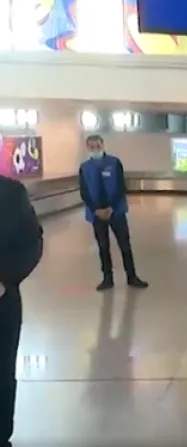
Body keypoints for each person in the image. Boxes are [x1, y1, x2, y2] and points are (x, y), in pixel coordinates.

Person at [0, 177, 43, 447]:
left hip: (2, 305)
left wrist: (5, 279)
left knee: (2, 376)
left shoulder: (11, 194)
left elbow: (32, 243)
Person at [78, 135, 148, 291]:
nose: (95, 149)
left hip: (116, 211)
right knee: (103, 246)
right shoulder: (84, 168)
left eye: (98, 146)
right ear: (87, 148)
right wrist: (96, 209)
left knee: (124, 244)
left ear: (103, 145)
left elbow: (121, 186)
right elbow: (84, 191)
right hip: (96, 214)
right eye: (92, 147)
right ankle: (107, 278)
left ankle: (132, 276)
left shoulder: (114, 163)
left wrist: (111, 207)